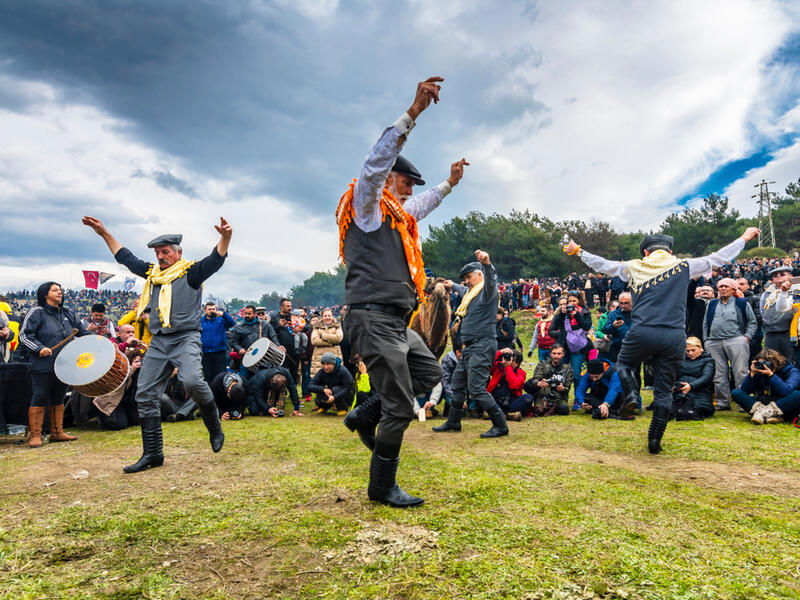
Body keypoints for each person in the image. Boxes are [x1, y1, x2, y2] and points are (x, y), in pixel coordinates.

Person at [337, 76, 463, 507]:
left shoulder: (398, 217)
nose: (411, 189)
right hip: (372, 318)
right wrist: (413, 113)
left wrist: (448, 185)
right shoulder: (367, 207)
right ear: (390, 179)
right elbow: (373, 164)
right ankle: (381, 486)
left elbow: (420, 206)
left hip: (395, 322)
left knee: (429, 376)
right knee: (400, 409)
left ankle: (362, 414)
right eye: (407, 182)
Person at [564, 226, 760, 453]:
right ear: (670, 251)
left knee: (625, 364)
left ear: (645, 253)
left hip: (642, 331)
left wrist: (578, 250)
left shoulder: (634, 266)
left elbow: (603, 265)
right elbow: (719, 257)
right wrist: (744, 238)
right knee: (664, 392)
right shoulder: (684, 265)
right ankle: (654, 441)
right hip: (674, 335)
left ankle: (631, 394)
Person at [82, 215, 231, 473]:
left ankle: (214, 425)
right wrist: (104, 232)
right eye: (157, 253)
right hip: (159, 341)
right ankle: (153, 454)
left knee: (193, 381)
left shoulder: (191, 273)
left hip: (185, 337)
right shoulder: (152, 274)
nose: (160, 256)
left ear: (177, 253)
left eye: (165, 252)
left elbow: (215, 260)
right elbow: (126, 258)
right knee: (145, 394)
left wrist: (225, 237)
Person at [433, 250, 508, 438]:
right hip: (470, 347)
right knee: (458, 384)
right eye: (464, 278)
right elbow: (464, 290)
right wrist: (453, 285)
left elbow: (491, 280)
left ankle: (500, 425)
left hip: (482, 345)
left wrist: (487, 263)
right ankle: (453, 422)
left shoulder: (488, 291)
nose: (466, 281)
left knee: (476, 388)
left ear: (480, 275)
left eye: (469, 276)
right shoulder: (473, 294)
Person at [19, 282, 89, 447]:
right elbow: (24, 336)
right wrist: (39, 348)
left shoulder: (68, 313)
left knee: (58, 397)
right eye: (55, 290)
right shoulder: (36, 313)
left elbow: (83, 333)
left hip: (64, 365)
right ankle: (35, 435)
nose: (60, 292)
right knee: (40, 396)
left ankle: (57, 432)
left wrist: (102, 340)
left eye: (60, 290)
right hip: (42, 364)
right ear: (45, 294)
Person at [703, 277, 757, 411]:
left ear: (733, 289)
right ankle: (722, 403)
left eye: (726, 286)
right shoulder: (712, 304)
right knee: (718, 374)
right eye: (720, 287)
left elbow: (752, 322)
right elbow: (705, 323)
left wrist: (746, 338)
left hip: (736, 340)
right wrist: (706, 340)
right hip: (714, 342)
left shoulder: (742, 302)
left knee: (740, 372)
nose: (722, 289)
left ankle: (742, 402)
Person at [732, 348, 800, 425]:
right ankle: (770, 415)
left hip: (783, 405)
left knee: (797, 394)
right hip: (764, 402)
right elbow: (744, 391)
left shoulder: (791, 371)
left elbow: (786, 391)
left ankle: (762, 414)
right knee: (736, 393)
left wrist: (771, 375)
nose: (764, 366)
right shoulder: (760, 371)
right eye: (761, 364)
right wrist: (752, 374)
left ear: (776, 363)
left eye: (766, 364)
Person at [549, 292, 592, 383]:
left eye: (574, 301)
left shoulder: (584, 311)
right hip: (564, 346)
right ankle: (561, 395)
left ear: (579, 301)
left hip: (578, 347)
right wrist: (562, 313)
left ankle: (578, 396)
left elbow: (587, 326)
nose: (572, 303)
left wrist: (576, 315)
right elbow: (554, 325)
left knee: (576, 374)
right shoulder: (564, 311)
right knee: (560, 374)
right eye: (570, 301)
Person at [670, 337, 715, 420]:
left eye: (693, 350)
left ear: (700, 349)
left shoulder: (708, 361)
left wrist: (691, 386)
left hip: (700, 392)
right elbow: (673, 375)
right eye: (687, 351)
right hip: (680, 391)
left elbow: (707, 377)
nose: (690, 353)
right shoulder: (680, 360)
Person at [523, 344, 573, 417]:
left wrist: (563, 388)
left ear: (563, 354)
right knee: (537, 411)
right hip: (542, 395)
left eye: (559, 354)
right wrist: (539, 383)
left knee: (564, 410)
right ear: (550, 354)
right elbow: (535, 379)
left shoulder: (567, 368)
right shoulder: (542, 364)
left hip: (558, 396)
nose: (556, 356)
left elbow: (568, 387)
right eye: (554, 353)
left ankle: (552, 409)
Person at [230, 305, 280, 373]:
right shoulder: (238, 327)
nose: (247, 315)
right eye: (246, 313)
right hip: (246, 359)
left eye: (249, 314)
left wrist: (278, 346)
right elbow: (234, 342)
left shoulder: (265, 324)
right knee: (245, 380)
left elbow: (273, 336)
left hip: (263, 359)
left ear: (255, 314)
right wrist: (239, 349)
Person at [759, 266, 794, 360]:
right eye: (775, 275)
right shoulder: (766, 293)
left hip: (789, 333)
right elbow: (763, 311)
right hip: (771, 333)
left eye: (782, 274)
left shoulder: (795, 291)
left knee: (790, 361)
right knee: (771, 360)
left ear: (790, 276)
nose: (778, 276)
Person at [574, 355, 624, 419]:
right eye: (591, 377)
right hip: (599, 397)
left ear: (603, 372)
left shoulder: (613, 372)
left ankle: (609, 410)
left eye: (596, 377)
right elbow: (580, 389)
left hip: (616, 397)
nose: (594, 379)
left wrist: (606, 403)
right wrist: (581, 402)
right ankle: (610, 411)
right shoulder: (587, 374)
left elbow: (614, 390)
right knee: (586, 398)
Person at [200, 302, 236, 382]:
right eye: (209, 309)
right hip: (205, 353)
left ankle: (219, 393)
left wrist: (224, 314)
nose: (211, 311)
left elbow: (233, 323)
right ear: (205, 310)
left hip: (219, 352)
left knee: (220, 375)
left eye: (213, 309)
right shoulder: (201, 321)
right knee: (207, 375)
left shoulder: (221, 320)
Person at [487, 348, 527, 419]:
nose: (508, 361)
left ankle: (498, 413)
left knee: (528, 398)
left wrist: (508, 367)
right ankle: (508, 415)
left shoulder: (521, 373)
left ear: (517, 363)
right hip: (496, 397)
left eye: (511, 359)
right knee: (484, 396)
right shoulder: (498, 367)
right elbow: (488, 363)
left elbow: (514, 386)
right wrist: (500, 352)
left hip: (511, 400)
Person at [310, 308, 344, 377]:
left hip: (335, 355)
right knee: (318, 380)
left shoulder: (337, 326)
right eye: (325, 316)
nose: (327, 317)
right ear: (322, 317)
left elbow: (338, 338)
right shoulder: (316, 327)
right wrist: (331, 343)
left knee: (335, 378)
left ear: (332, 316)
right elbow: (314, 341)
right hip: (319, 357)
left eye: (329, 315)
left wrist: (323, 335)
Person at [603, 292, 632, 362]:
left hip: (634, 348)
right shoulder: (613, 314)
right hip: (617, 348)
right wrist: (613, 326)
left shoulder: (638, 313)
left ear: (632, 302)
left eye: (626, 303)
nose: (623, 305)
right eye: (621, 303)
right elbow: (605, 329)